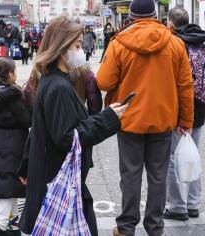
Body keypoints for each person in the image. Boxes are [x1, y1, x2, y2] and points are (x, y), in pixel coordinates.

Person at [19, 15, 128, 236]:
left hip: (54, 176)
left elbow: (40, 128)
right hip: (60, 180)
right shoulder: (59, 87)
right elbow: (68, 138)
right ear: (61, 47)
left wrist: (26, 164)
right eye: (77, 46)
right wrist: (108, 118)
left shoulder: (52, 80)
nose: (81, 51)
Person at [97, 0, 194, 236]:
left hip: (129, 120)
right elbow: (185, 86)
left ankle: (126, 227)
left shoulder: (119, 43)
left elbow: (103, 82)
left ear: (130, 17)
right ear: (154, 16)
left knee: (130, 176)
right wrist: (186, 121)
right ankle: (155, 227)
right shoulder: (175, 43)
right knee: (158, 176)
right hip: (163, 120)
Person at [164, 7, 205, 221]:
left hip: (178, 109)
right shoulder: (201, 40)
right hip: (199, 109)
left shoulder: (174, 44)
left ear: (170, 24)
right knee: (193, 155)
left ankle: (176, 207)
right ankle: (193, 204)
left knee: (172, 159)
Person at [0, 57, 31, 236]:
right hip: (14, 142)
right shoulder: (14, 95)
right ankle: (1, 227)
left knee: (9, 186)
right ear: (9, 74)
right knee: (9, 187)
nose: (16, 74)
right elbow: (27, 120)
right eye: (15, 71)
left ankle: (11, 226)